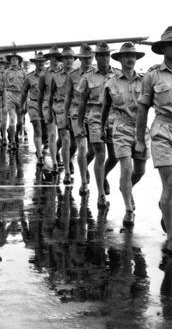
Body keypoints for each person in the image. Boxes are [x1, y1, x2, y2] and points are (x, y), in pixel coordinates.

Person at [136, 26, 172, 258]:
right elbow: (142, 109)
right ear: (163, 49)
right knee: (170, 185)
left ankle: (165, 207)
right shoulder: (152, 75)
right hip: (162, 130)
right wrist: (140, 140)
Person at [101, 42, 146, 228]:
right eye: (126, 56)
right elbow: (105, 107)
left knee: (140, 170)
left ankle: (126, 188)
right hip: (120, 127)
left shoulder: (144, 81)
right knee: (126, 168)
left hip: (141, 129)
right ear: (119, 59)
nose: (130, 59)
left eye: (133, 56)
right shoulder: (111, 83)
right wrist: (103, 127)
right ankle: (128, 210)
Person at [77, 41, 118, 209]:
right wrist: (80, 124)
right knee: (100, 154)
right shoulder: (88, 76)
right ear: (97, 57)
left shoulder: (117, 75)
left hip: (114, 119)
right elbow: (82, 102)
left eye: (108, 55)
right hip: (94, 117)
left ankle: (103, 176)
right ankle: (101, 195)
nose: (105, 58)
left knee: (114, 156)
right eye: (102, 55)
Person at [64, 43, 95, 195]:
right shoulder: (73, 75)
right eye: (84, 58)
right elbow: (68, 97)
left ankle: (85, 166)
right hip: (77, 114)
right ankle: (83, 183)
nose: (87, 60)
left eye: (90, 57)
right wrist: (65, 116)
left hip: (94, 114)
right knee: (81, 148)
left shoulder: (98, 74)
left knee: (94, 150)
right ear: (80, 59)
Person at [48, 46, 77, 184]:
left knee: (75, 144)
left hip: (75, 109)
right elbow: (50, 95)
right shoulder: (56, 76)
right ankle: (66, 171)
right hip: (60, 108)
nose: (68, 60)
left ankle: (69, 158)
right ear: (62, 60)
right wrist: (48, 112)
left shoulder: (79, 75)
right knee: (65, 139)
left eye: (71, 58)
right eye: (66, 58)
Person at [20, 51, 46, 169]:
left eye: (42, 61)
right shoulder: (29, 77)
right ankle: (40, 155)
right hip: (34, 104)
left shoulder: (49, 75)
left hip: (46, 105)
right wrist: (21, 105)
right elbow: (24, 91)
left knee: (46, 133)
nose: (40, 63)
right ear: (35, 63)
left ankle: (42, 148)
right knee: (37, 129)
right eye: (38, 62)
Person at [38, 46, 62, 177]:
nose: (55, 60)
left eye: (57, 58)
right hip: (49, 105)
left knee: (64, 137)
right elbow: (41, 93)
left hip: (63, 105)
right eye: (53, 58)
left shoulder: (66, 72)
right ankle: (54, 162)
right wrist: (41, 111)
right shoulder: (44, 74)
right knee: (52, 135)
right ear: (49, 59)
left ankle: (57, 151)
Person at [3, 52, 27, 152]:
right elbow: (3, 87)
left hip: (21, 95)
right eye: (12, 59)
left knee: (20, 122)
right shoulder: (6, 72)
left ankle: (15, 134)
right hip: (10, 94)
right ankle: (12, 141)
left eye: (16, 59)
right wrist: (4, 100)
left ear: (18, 61)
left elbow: (26, 87)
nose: (14, 61)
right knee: (12, 118)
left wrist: (26, 101)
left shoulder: (23, 72)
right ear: (10, 61)